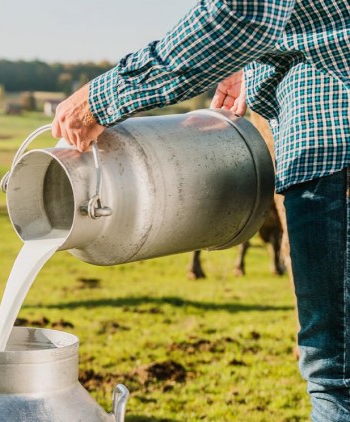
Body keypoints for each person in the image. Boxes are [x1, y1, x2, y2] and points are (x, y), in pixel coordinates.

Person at [52, 1, 350, 420]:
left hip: (335, 143)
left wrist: (101, 99)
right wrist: (247, 60)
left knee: (338, 376)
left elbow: (243, 13)